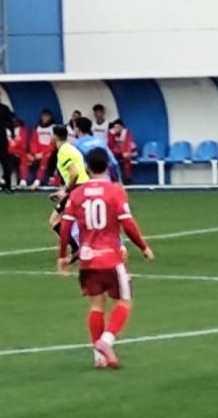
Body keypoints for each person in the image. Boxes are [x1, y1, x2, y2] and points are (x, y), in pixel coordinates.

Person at [57, 148, 154, 370]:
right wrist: (144, 247)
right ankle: (106, 341)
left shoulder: (77, 194)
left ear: (87, 168)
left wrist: (62, 255)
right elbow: (127, 224)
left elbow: (65, 227)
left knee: (96, 306)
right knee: (125, 301)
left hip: (87, 259)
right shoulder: (115, 191)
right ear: (108, 167)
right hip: (111, 258)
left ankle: (98, 357)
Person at [49, 124, 89, 254]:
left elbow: (74, 173)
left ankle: (76, 247)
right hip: (84, 187)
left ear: (55, 136)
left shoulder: (63, 152)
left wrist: (67, 190)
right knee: (82, 219)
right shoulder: (72, 149)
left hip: (77, 188)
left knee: (54, 219)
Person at [73, 116, 120, 182]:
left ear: (78, 129)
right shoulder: (100, 140)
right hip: (106, 178)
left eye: (74, 127)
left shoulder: (76, 145)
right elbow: (114, 162)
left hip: (89, 180)